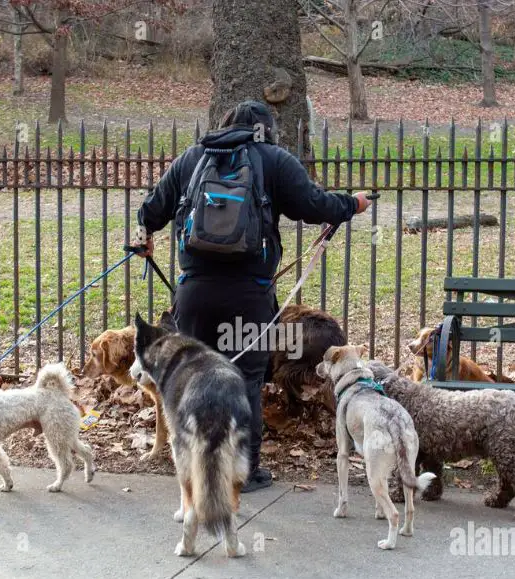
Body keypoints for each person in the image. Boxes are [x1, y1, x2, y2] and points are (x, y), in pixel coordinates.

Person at [135, 100, 371, 493]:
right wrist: (353, 204)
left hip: (194, 293)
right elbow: (314, 205)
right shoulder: (273, 159)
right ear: (267, 129)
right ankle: (244, 471)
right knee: (244, 378)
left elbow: (151, 211)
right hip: (248, 294)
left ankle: (199, 464)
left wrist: (146, 242)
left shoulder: (192, 157)